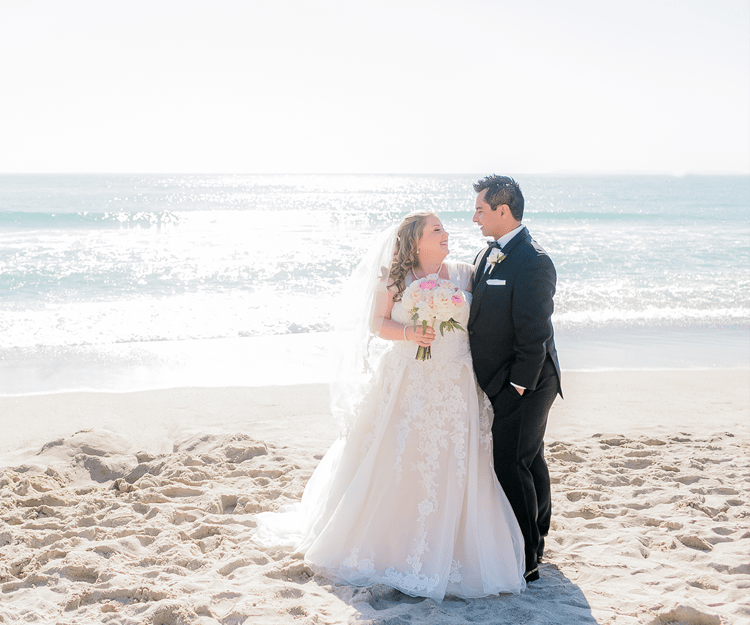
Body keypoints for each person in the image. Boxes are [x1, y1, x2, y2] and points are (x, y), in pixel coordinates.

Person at [254, 211, 526, 600]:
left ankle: (452, 546)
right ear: (417, 241)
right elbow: (377, 323)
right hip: (408, 382)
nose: (447, 233)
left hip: (456, 382)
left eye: (445, 229)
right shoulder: (394, 278)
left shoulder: (465, 273)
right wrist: (411, 332)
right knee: (403, 457)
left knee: (456, 460)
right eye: (438, 230)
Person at [468, 175, 562, 583]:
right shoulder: (486, 253)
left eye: (480, 209)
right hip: (503, 380)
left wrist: (517, 387)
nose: (474, 217)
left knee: (511, 463)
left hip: (526, 382)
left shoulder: (533, 261)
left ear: (503, 211)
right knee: (528, 457)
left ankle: (526, 558)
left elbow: (535, 334)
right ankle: (537, 537)